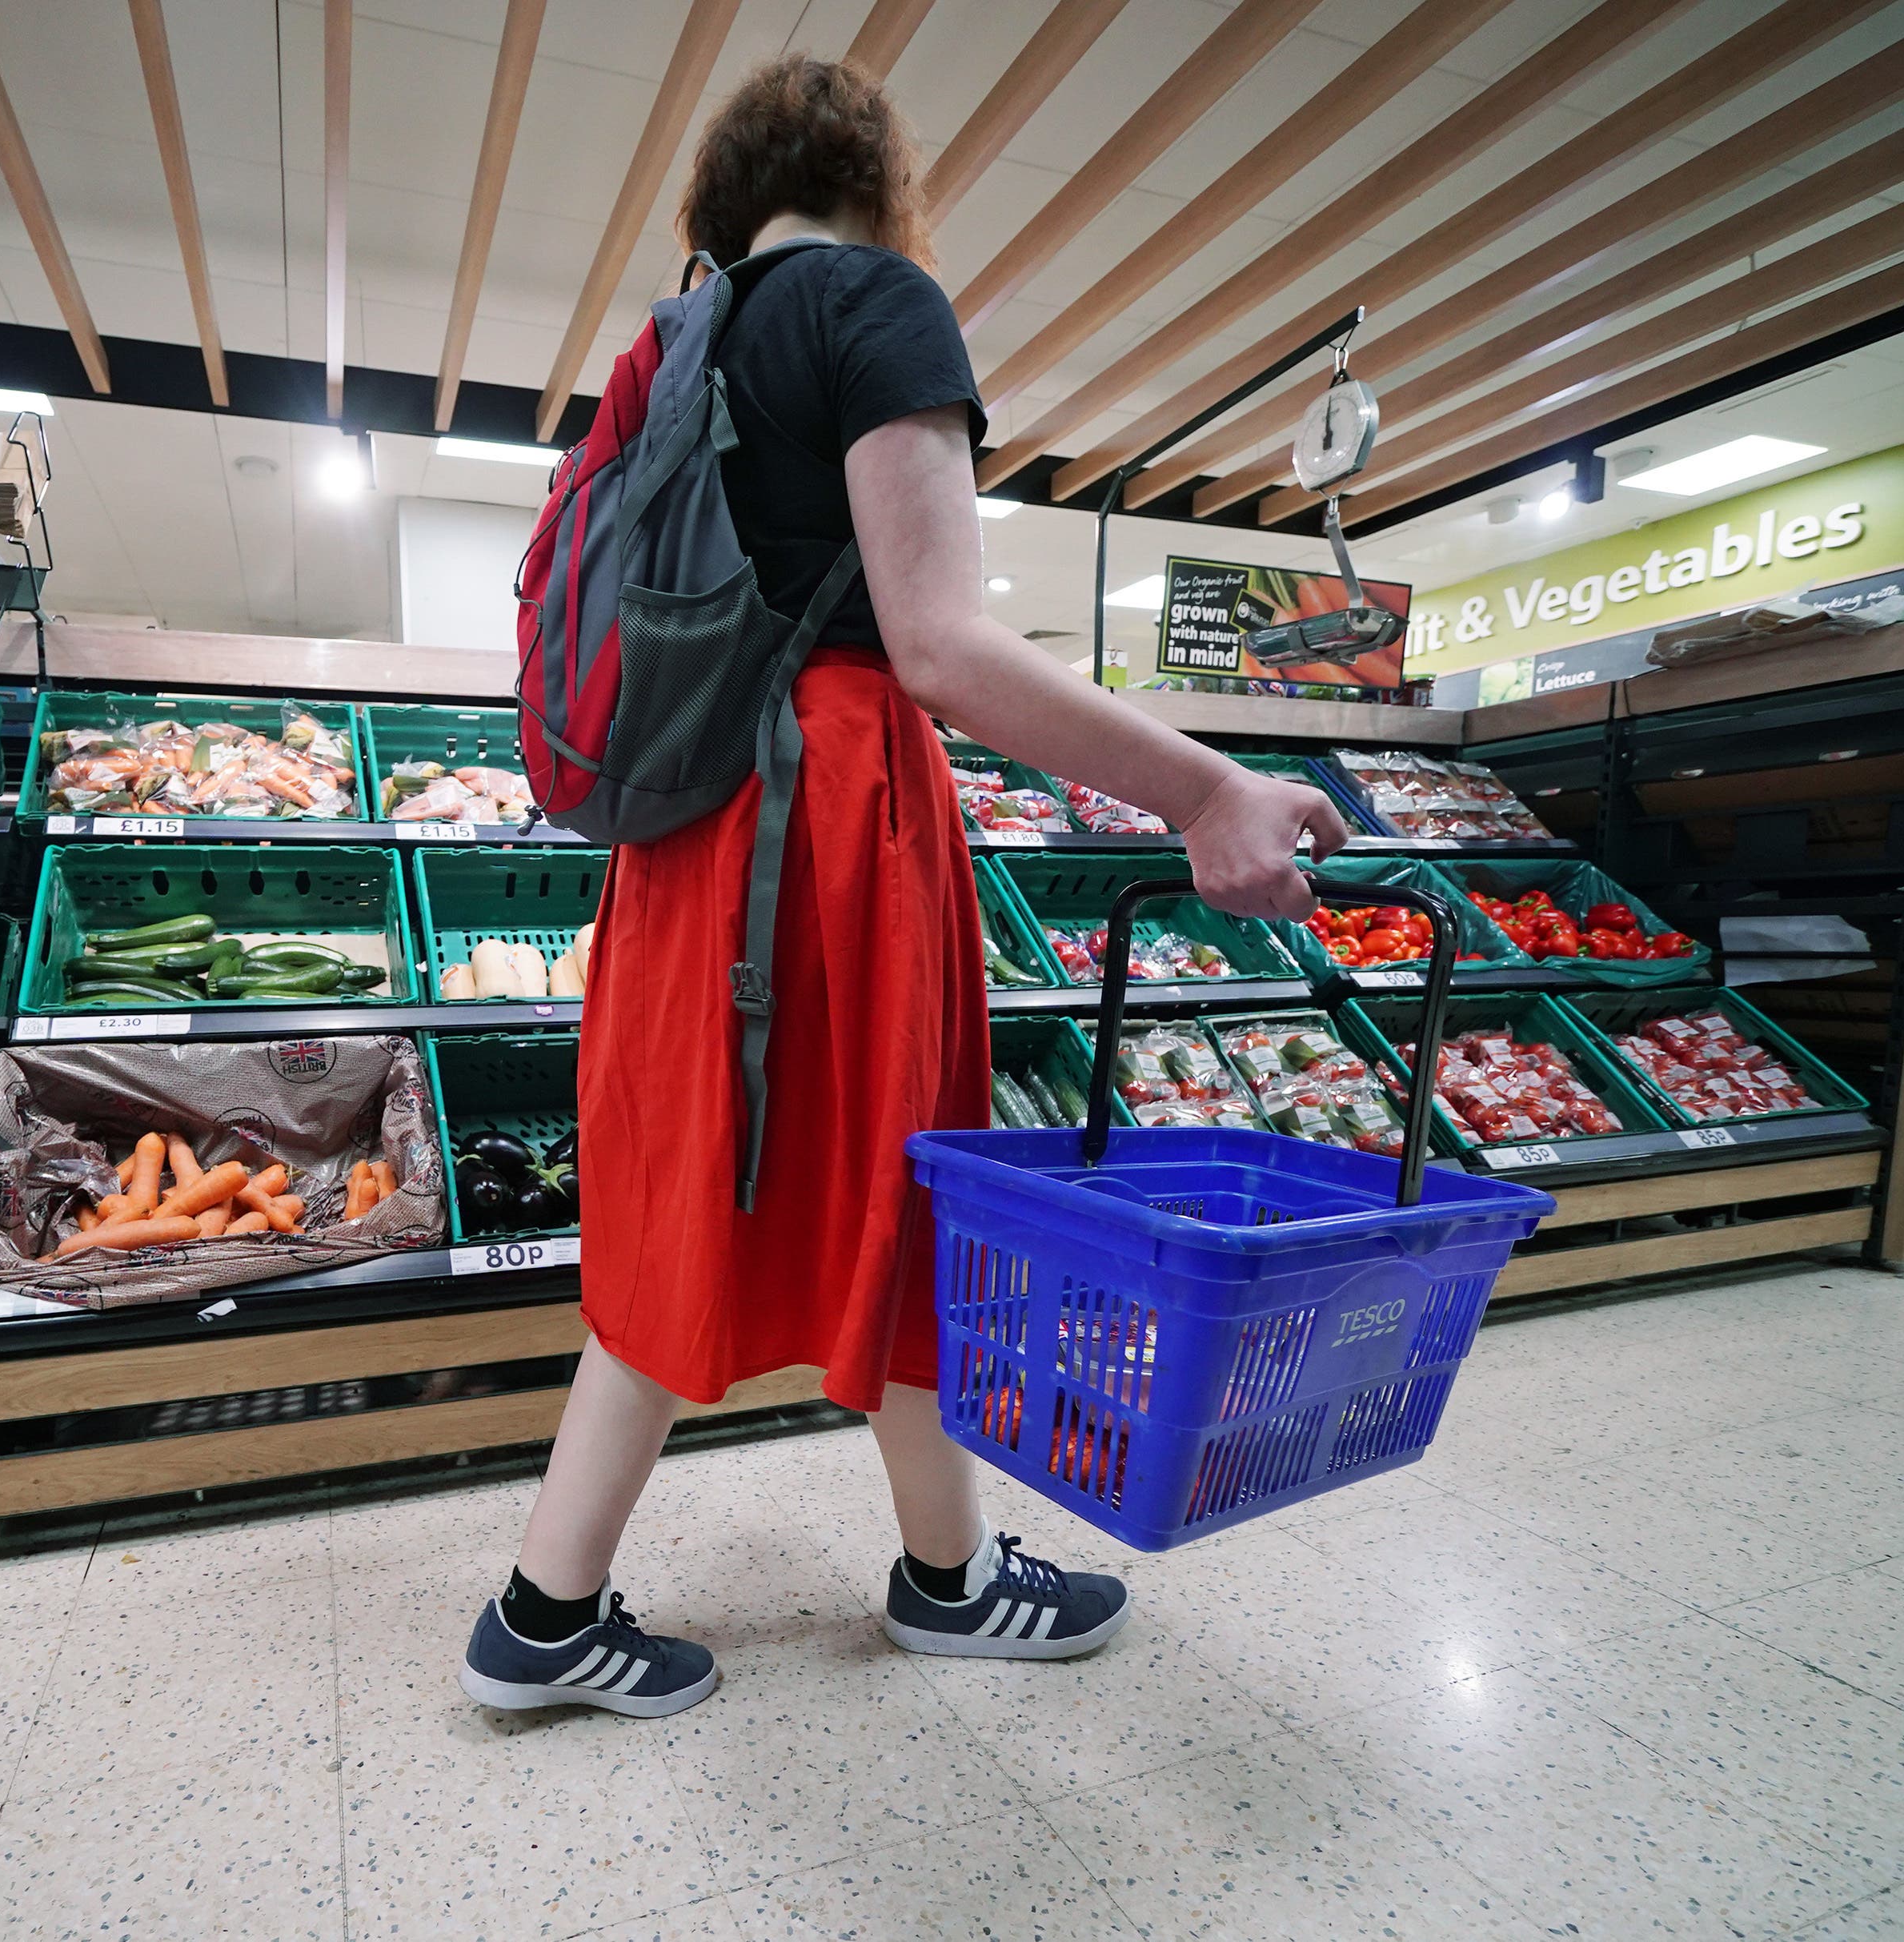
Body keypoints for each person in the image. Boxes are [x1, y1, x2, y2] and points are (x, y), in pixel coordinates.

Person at [459, 54, 1348, 1717]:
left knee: (693, 1184)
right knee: (917, 1181)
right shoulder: (872, 304)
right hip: (830, 816)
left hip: (687, 824)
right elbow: (937, 642)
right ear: (879, 180)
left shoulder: (675, 339)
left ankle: (546, 1606)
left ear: (720, 200)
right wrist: (1207, 787)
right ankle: (941, 1579)